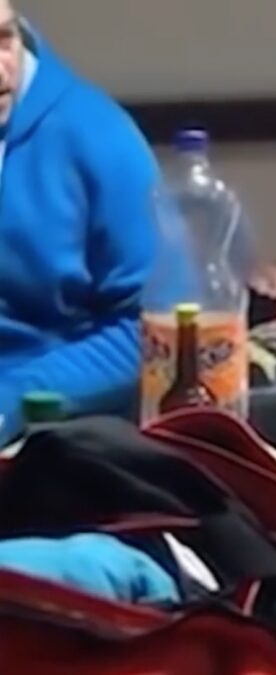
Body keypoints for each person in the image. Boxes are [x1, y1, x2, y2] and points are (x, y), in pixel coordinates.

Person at [0, 6, 158, 441]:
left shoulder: (97, 136)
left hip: (51, 426)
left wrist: (14, 398)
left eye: (4, 39)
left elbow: (150, 332)